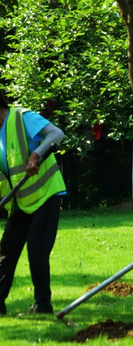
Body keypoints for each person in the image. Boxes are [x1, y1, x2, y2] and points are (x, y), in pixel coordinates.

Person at [0, 93, 66, 315]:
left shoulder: (21, 117)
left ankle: (43, 305)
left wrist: (35, 156)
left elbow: (57, 134)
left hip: (45, 194)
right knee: (6, 252)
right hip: (19, 202)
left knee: (36, 248)